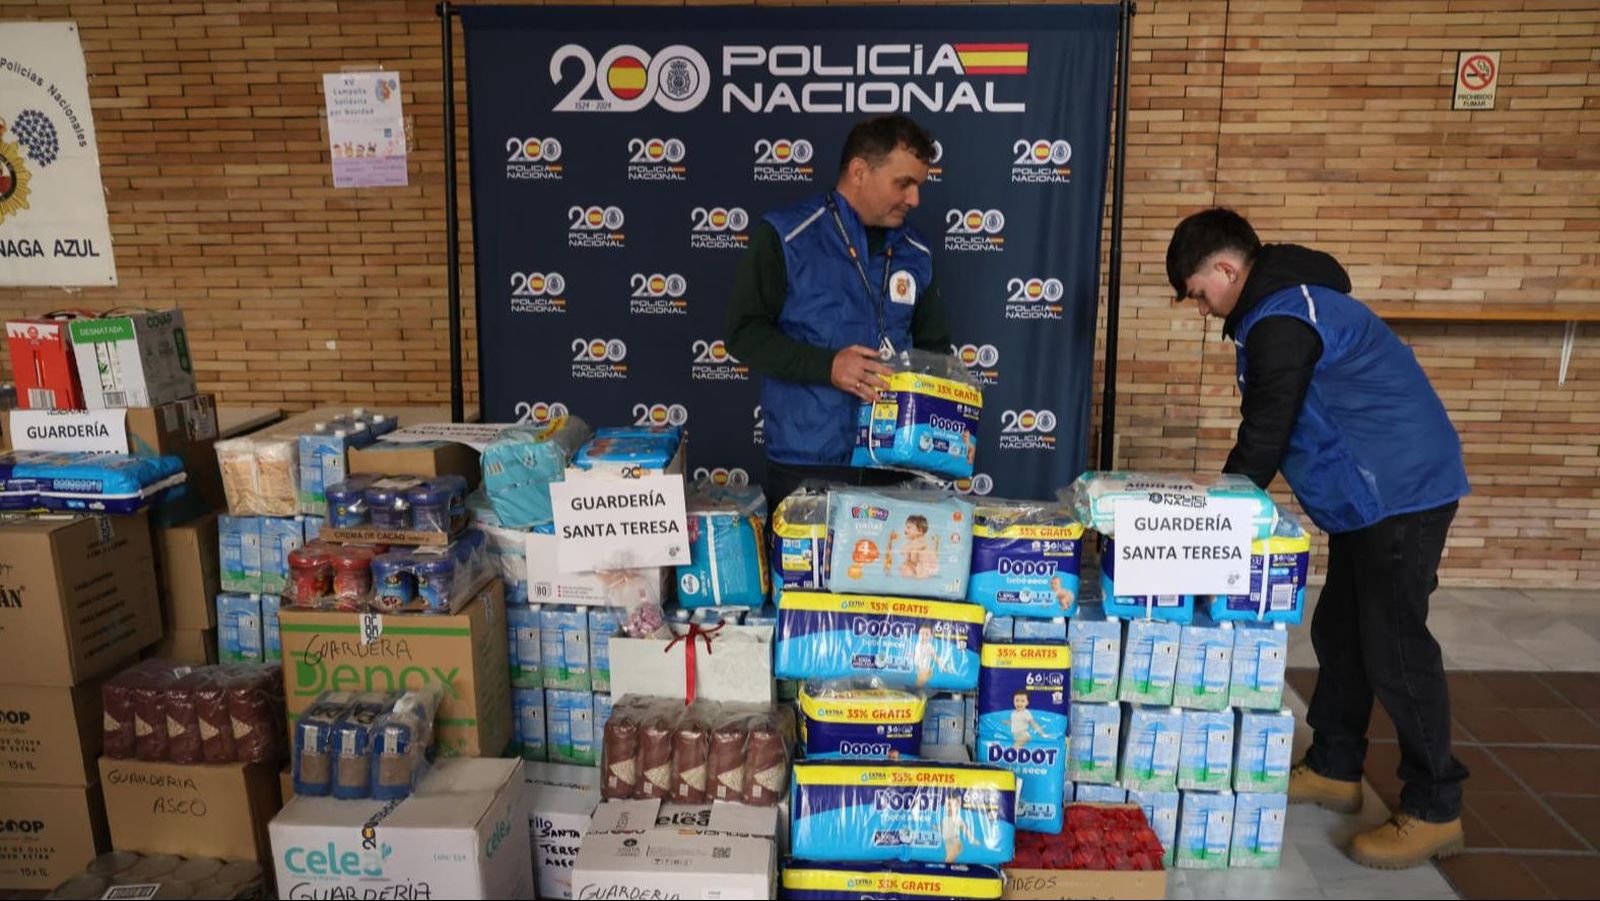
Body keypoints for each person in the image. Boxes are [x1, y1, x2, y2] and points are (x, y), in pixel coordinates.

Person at [1166, 208, 1471, 870]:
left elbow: (1268, 424)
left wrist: (1221, 503)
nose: (1202, 309)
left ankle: (1436, 806)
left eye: (1198, 294)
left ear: (1225, 268)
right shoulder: (1285, 303)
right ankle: (1335, 766)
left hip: (1400, 488)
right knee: (1341, 630)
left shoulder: (1280, 314)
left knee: (1393, 643)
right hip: (1371, 494)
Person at [725, 115, 951, 513]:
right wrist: (827, 366)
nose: (915, 199)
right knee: (807, 580)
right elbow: (744, 333)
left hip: (895, 465)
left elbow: (935, 348)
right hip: (807, 462)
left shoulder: (917, 250)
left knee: (891, 576)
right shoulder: (787, 234)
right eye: (904, 183)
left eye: (919, 185)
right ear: (859, 171)